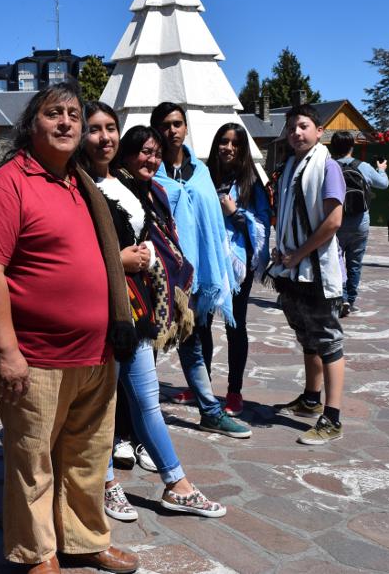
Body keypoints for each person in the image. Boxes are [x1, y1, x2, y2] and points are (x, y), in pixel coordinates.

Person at [0, 83, 140, 574]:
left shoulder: (81, 183)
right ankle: (37, 553)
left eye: (74, 114)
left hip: (96, 351)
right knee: (33, 463)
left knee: (88, 458)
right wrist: (7, 351)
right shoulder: (7, 184)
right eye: (54, 113)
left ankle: (84, 539)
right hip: (37, 354)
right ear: (33, 124)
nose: (66, 122)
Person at [81, 105, 226, 524]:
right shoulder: (79, 185)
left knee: (145, 400)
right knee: (101, 402)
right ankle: (107, 484)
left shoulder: (123, 185)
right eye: (95, 129)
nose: (104, 137)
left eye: (111, 128)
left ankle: (175, 484)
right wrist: (116, 260)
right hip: (98, 307)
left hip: (134, 309)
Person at [149, 102, 249, 437]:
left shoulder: (201, 172)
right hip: (159, 274)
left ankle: (209, 409)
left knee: (191, 342)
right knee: (146, 348)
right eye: (164, 125)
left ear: (186, 127)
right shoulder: (149, 171)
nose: (172, 130)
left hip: (194, 276)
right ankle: (139, 419)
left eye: (177, 123)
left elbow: (211, 224)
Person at [269, 104, 347, 445]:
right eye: (291, 128)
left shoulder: (327, 168)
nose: (296, 133)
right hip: (292, 270)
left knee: (328, 342)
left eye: (303, 126)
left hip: (315, 272)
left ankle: (332, 417)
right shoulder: (290, 168)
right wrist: (283, 250)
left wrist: (299, 253)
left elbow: (334, 221)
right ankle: (311, 399)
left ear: (318, 131)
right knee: (307, 337)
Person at [206, 122, 271, 416]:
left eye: (235, 143)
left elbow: (261, 225)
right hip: (207, 260)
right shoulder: (203, 176)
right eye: (224, 141)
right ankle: (201, 386)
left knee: (236, 326)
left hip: (236, 265)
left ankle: (234, 391)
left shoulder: (251, 183)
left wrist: (234, 213)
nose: (228, 147)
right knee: (200, 325)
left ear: (243, 149)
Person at [326, 131, 389, 316]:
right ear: (352, 147)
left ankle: (341, 297)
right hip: (360, 222)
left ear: (333, 147)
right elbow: (383, 184)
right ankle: (351, 300)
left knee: (335, 262)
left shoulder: (329, 167)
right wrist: (382, 169)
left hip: (334, 222)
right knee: (354, 263)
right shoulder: (363, 167)